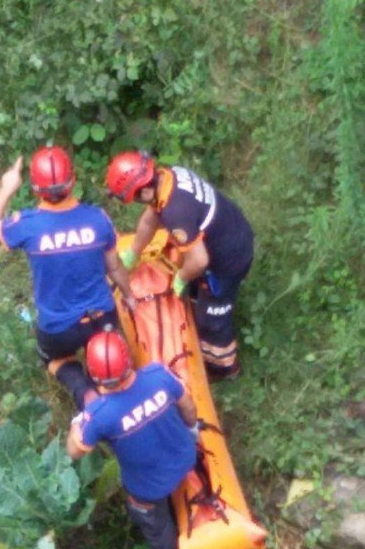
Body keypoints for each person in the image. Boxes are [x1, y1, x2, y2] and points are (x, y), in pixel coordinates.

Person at [0, 147, 135, 409]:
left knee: (51, 357)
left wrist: (7, 188)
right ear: (73, 182)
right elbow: (115, 267)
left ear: (35, 189)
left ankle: (82, 390)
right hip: (102, 317)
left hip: (59, 328)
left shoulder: (27, 225)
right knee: (109, 359)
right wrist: (130, 296)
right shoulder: (98, 219)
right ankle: (109, 378)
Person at [66, 328, 198, 549]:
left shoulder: (99, 415)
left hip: (149, 488)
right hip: (185, 458)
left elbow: (74, 452)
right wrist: (192, 431)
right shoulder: (158, 374)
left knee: (158, 529)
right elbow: (189, 408)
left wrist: (77, 422)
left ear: (93, 375)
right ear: (127, 361)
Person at [104, 151, 254, 380]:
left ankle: (224, 367)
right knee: (196, 288)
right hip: (230, 229)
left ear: (144, 190)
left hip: (229, 259)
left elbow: (200, 260)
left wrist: (181, 278)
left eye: (134, 197)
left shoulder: (177, 212)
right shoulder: (169, 177)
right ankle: (197, 298)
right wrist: (133, 253)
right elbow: (149, 219)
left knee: (211, 317)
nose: (134, 203)